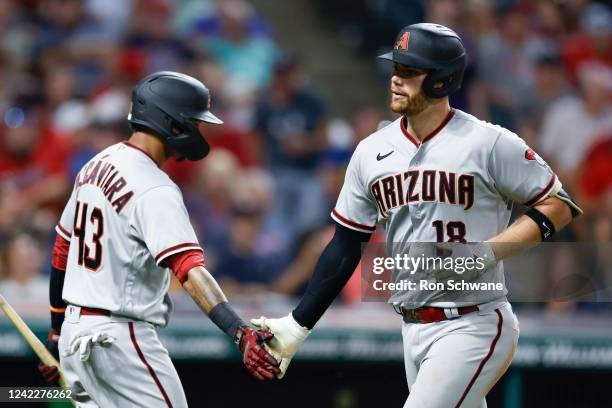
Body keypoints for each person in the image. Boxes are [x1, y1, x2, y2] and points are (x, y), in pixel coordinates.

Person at [251, 24, 582, 407]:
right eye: (396, 69)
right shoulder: (371, 152)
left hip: (473, 322)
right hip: (412, 326)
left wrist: (485, 253)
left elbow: (559, 205)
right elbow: (345, 246)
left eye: (409, 71)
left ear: (442, 80)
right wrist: (297, 324)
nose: (395, 79)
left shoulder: (488, 141)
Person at [37, 71, 280, 407]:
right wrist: (239, 331)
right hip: (120, 339)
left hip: (75, 336)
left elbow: (62, 250)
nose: (198, 130)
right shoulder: (155, 187)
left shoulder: (95, 165)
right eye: (193, 121)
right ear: (171, 121)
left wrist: (56, 329)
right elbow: (190, 271)